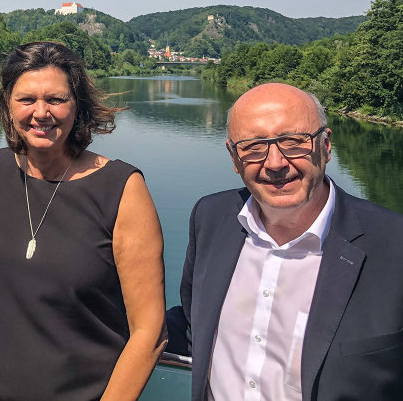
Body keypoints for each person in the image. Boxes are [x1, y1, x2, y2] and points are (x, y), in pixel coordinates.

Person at [0, 41, 167, 400]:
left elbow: (150, 331)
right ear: (7, 105)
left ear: (77, 106)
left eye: (55, 99)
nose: (41, 113)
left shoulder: (120, 189)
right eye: (26, 100)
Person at [166, 82, 403, 401]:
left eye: (293, 142)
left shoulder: (393, 245)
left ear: (326, 145)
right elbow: (194, 322)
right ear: (234, 158)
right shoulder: (211, 217)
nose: (275, 163)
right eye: (253, 147)